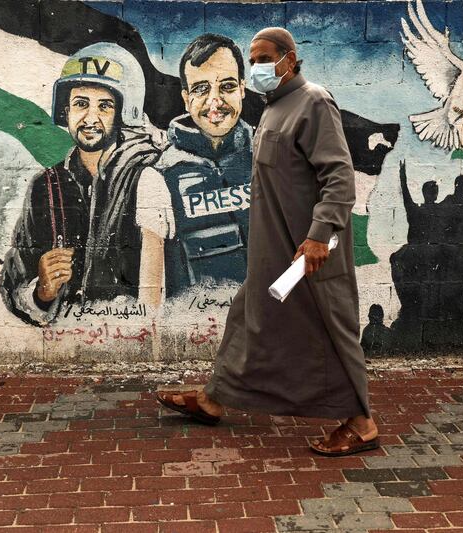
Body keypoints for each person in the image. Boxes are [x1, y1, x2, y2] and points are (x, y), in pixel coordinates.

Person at [157, 27, 378, 457]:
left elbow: (338, 176)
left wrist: (318, 236)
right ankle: (213, 400)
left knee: (331, 326)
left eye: (264, 59)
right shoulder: (274, 109)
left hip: (308, 251)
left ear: (289, 60)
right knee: (247, 319)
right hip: (272, 247)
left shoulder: (313, 102)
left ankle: (362, 423)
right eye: (253, 59)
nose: (257, 68)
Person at [0, 43, 172, 323]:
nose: (90, 118)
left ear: (122, 114)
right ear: (65, 111)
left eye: (104, 106)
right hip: (64, 344)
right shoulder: (45, 187)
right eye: (81, 104)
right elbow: (13, 283)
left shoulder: (145, 179)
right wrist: (41, 292)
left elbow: (159, 298)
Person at [156, 34, 253, 297]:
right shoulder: (161, 176)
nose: (215, 101)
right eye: (201, 88)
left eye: (228, 86)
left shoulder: (270, 159)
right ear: (186, 98)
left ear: (243, 89)